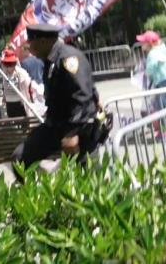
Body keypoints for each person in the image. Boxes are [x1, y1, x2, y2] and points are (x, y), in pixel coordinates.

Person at [12, 24, 100, 178]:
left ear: (44, 41)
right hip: (56, 126)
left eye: (32, 41)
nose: (29, 46)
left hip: (79, 128)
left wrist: (72, 134)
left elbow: (82, 97)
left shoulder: (68, 59)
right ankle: (41, 195)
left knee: (88, 176)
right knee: (20, 158)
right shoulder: (50, 59)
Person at [137, 30, 166, 110]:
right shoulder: (163, 49)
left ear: (149, 43)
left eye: (143, 42)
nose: (141, 44)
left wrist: (144, 73)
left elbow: (149, 70)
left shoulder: (152, 54)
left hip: (163, 82)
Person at [0, 49, 38, 118]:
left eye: (10, 65)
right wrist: (4, 97)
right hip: (9, 103)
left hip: (20, 103)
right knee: (13, 123)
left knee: (24, 123)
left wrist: (30, 101)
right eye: (6, 65)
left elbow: (28, 89)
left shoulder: (21, 73)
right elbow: (5, 87)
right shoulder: (4, 74)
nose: (8, 67)